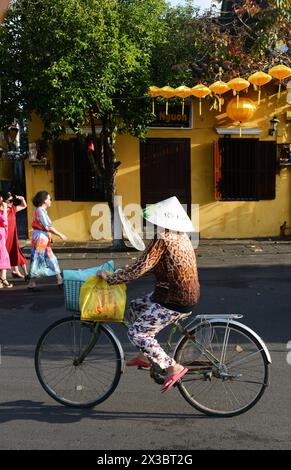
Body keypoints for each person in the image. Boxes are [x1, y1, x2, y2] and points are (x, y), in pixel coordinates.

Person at [97, 196, 200, 393]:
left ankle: (172, 366)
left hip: (175, 299)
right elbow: (151, 264)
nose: (150, 223)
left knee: (137, 332)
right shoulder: (180, 235)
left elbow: (140, 267)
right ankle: (146, 355)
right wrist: (120, 273)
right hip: (173, 294)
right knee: (136, 306)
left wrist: (111, 278)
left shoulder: (162, 238)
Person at [28, 191, 67, 290]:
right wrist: (60, 234)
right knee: (39, 258)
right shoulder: (40, 211)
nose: (50, 201)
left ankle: (58, 279)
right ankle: (33, 281)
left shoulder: (41, 211)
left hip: (42, 238)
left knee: (47, 258)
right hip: (40, 239)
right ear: (44, 200)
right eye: (49, 199)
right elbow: (47, 227)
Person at [0, 191, 28, 280]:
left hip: (12, 236)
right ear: (3, 201)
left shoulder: (12, 209)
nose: (12, 203)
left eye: (12, 201)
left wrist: (22, 199)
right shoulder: (1, 211)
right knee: (3, 255)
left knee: (17, 253)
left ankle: (26, 274)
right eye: (10, 201)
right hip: (3, 238)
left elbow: (24, 206)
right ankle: (3, 278)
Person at [0, 195, 13, 288]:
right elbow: (4, 221)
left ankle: (3, 278)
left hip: (2, 236)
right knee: (3, 256)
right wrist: (4, 209)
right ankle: (3, 278)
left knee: (4, 256)